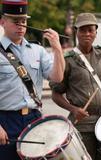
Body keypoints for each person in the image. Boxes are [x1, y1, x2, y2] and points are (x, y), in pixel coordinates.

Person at [50, 13, 101, 160]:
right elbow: (55, 94)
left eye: (90, 30)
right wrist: (73, 109)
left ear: (95, 33)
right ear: (76, 32)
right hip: (83, 123)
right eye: (83, 30)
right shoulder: (68, 59)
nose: (87, 34)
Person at [0, 0, 65, 160]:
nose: (21, 25)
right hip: (6, 120)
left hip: (33, 118)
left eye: (24, 21)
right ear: (3, 22)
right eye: (15, 21)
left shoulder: (38, 50)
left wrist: (57, 49)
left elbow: (57, 77)